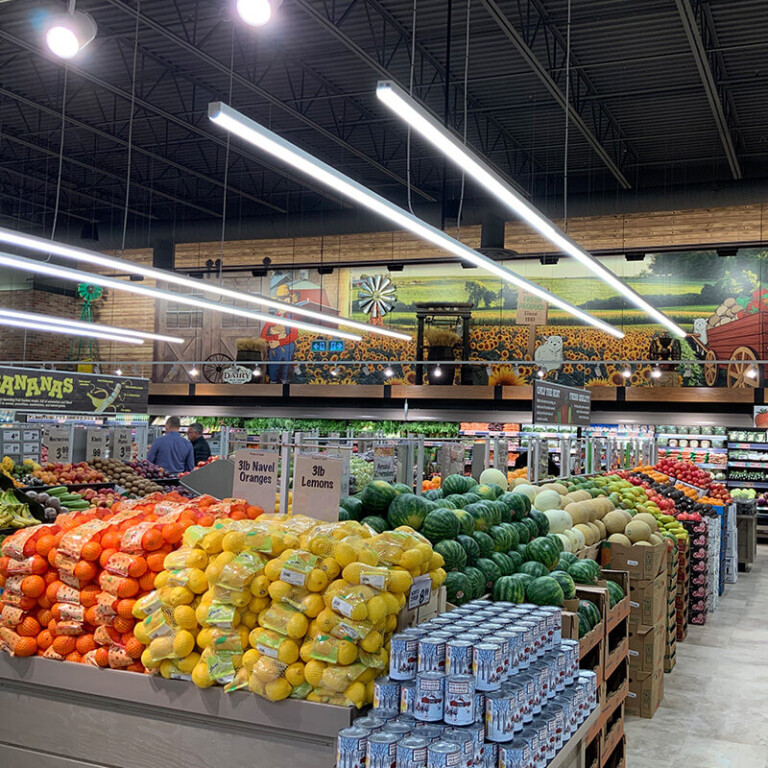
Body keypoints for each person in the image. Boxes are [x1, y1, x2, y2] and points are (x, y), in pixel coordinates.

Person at [261, 284, 298, 383]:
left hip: (288, 348)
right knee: (273, 368)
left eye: (287, 301)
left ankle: (284, 387)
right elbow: (263, 335)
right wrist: (277, 336)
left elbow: (294, 335)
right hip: (274, 350)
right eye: (282, 301)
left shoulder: (292, 318)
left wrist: (280, 342)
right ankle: (273, 386)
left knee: (286, 369)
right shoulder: (272, 319)